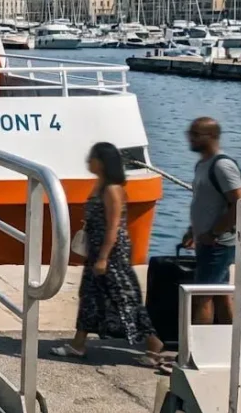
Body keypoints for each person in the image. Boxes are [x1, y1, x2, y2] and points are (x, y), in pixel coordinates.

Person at [50, 143, 165, 365]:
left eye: (92, 158)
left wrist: (103, 256)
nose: (88, 161)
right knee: (89, 297)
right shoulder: (100, 185)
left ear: (102, 162)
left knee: (123, 297)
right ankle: (78, 344)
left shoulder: (112, 189)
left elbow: (114, 226)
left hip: (111, 253)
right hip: (97, 250)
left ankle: (153, 343)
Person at [184, 117, 241, 325]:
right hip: (207, 240)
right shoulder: (202, 164)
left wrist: (214, 233)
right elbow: (203, 202)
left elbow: (239, 203)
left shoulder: (222, 166)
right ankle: (230, 342)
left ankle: (198, 354)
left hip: (218, 243)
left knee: (203, 296)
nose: (189, 138)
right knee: (219, 294)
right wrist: (193, 231)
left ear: (211, 136)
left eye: (195, 134)